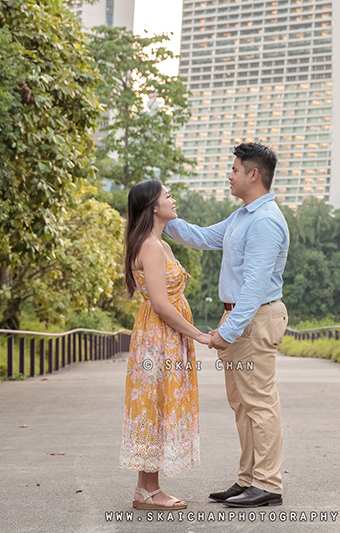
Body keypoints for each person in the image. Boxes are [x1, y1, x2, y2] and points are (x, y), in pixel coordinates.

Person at [164, 143, 289, 508]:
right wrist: (160, 214)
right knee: (242, 403)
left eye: (234, 169)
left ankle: (268, 484)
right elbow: (201, 237)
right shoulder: (242, 217)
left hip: (253, 317)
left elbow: (254, 286)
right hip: (239, 316)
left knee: (259, 402)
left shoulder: (265, 221)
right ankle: (248, 478)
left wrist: (226, 332)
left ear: (253, 174)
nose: (228, 175)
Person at [119, 180, 211, 511]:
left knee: (156, 404)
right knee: (154, 406)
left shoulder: (158, 243)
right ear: (154, 208)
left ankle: (146, 490)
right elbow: (160, 303)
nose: (173, 200)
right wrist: (198, 334)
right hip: (159, 339)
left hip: (164, 339)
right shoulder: (151, 246)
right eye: (167, 196)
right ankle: (148, 490)